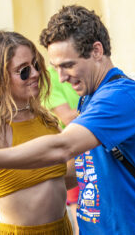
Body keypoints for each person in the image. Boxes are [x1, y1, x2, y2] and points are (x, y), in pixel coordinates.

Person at [0, 5, 135, 235]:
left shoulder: (119, 97)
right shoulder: (89, 99)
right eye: (55, 68)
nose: (60, 77)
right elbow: (77, 171)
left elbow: (63, 148)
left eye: (68, 65)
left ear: (97, 51)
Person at [0, 31, 74, 234]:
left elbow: (68, 176)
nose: (35, 73)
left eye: (36, 65)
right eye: (23, 71)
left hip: (62, 229)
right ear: (1, 78)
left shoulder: (46, 119)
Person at [44, 67, 80, 235]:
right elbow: (66, 117)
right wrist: (103, 109)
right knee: (80, 211)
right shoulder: (49, 78)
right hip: (73, 151)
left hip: (89, 150)